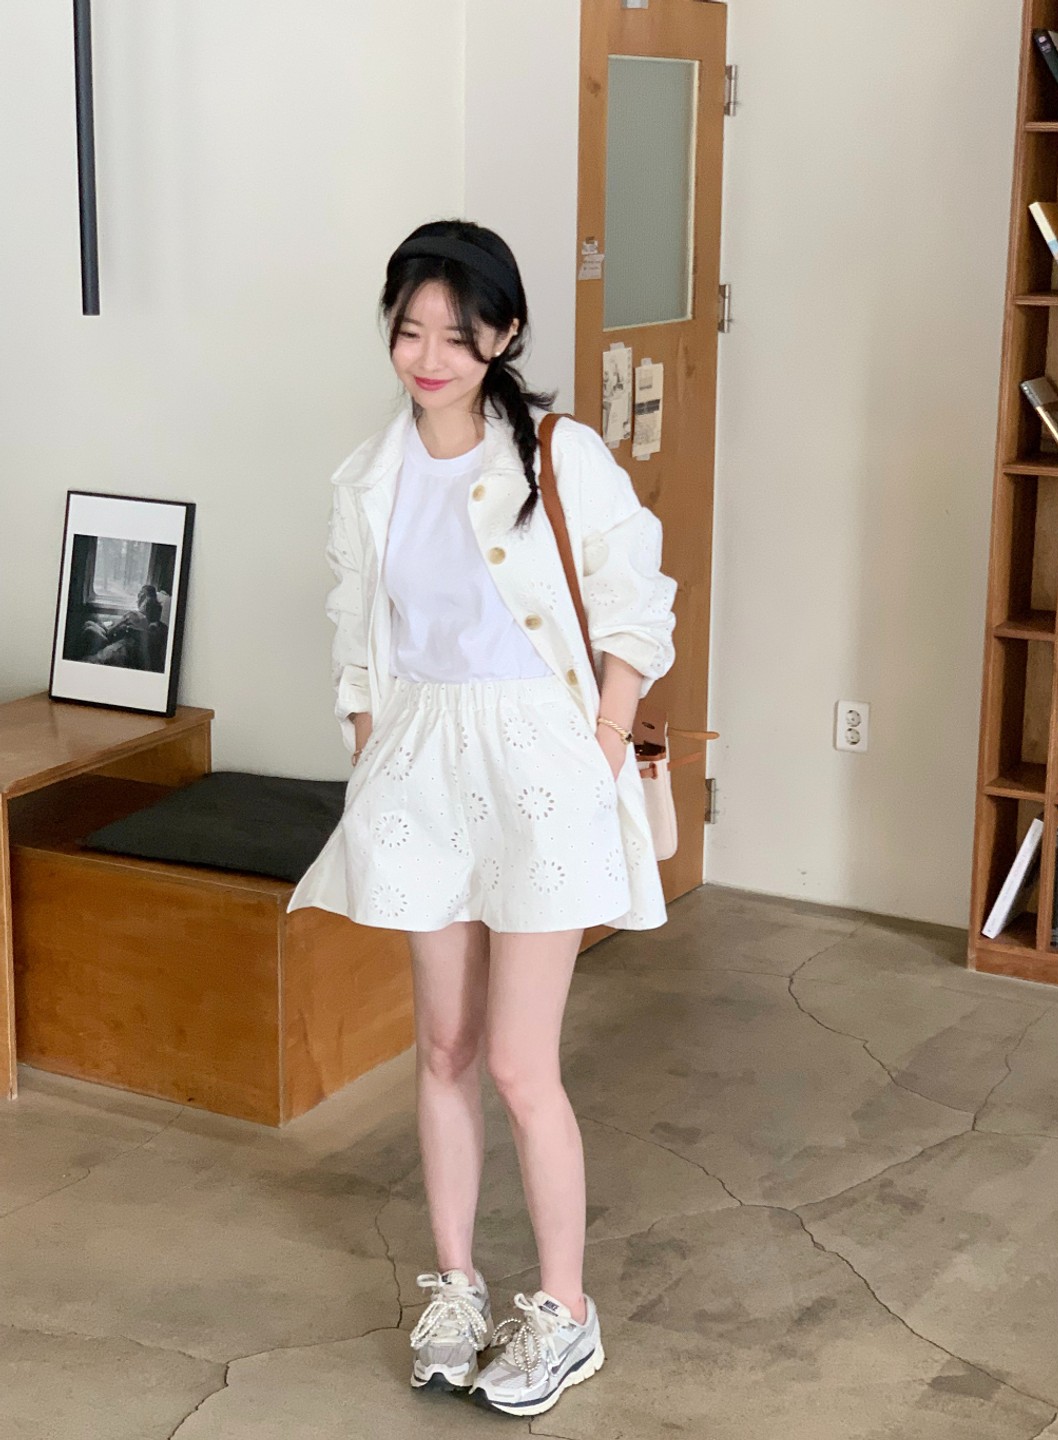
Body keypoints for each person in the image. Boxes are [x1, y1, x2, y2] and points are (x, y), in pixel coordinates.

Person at [286, 219, 677, 1418]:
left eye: (456, 336)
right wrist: (370, 740)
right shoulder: (369, 477)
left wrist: (602, 739)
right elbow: (359, 632)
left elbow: (636, 599)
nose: (428, 357)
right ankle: (455, 1287)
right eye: (409, 331)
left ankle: (564, 1310)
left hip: (539, 762)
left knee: (517, 1060)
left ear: (504, 336)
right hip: (421, 766)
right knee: (445, 1049)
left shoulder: (560, 455)